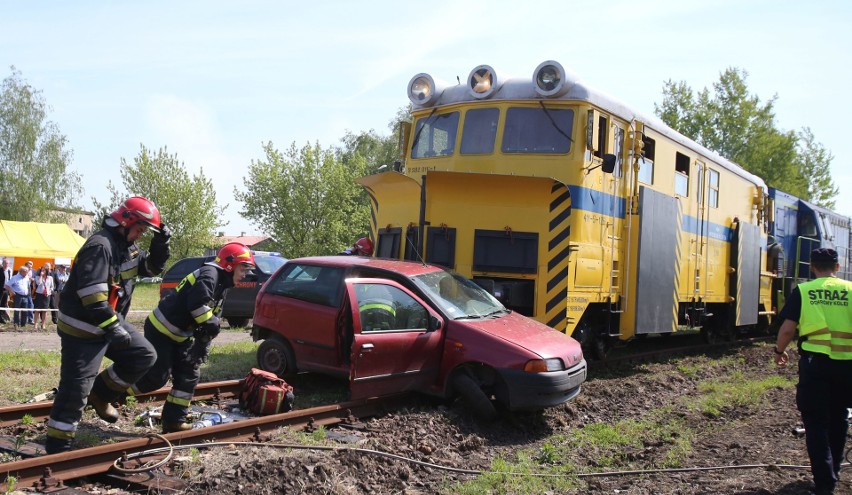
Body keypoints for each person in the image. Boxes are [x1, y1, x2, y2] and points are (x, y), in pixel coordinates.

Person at [44, 196, 171, 454]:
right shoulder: (100, 246)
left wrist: (161, 245)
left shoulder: (127, 247)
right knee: (75, 389)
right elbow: (92, 297)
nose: (140, 235)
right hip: (83, 329)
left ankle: (100, 394)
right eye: (140, 229)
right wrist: (114, 328)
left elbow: (150, 267)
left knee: (143, 355)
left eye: (145, 232)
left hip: (108, 322)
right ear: (125, 222)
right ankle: (58, 448)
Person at [128, 242, 255, 432]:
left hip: (180, 335)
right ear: (230, 264)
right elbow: (197, 306)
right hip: (161, 330)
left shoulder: (223, 284)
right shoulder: (209, 275)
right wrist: (211, 324)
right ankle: (115, 391)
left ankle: (174, 421)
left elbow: (214, 316)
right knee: (156, 378)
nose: (245, 274)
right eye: (243, 268)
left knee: (189, 374)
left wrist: (203, 343)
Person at [774, 247, 852, 495]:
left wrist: (779, 351)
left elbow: (788, 329)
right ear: (837, 268)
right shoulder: (851, 290)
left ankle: (824, 483)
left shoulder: (804, 291)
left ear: (812, 267)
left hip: (815, 366)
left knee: (816, 422)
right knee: (839, 418)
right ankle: (835, 473)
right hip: (847, 366)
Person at [33, 265, 55, 331]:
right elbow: (39, 283)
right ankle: (35, 324)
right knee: (37, 310)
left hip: (47, 295)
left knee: (44, 311)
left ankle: (43, 324)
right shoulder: (37, 277)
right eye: (41, 270)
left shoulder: (50, 278)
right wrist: (41, 276)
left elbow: (52, 287)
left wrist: (49, 292)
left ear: (46, 271)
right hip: (39, 294)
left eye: (43, 270)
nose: (42, 271)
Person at [0, 258, 10, 323]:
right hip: (0, 289)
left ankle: (2, 317)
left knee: (4, 304)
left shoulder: (9, 271)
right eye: (5, 263)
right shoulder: (0, 270)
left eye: (7, 263)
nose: (6, 265)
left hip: (6, 290)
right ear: (2, 264)